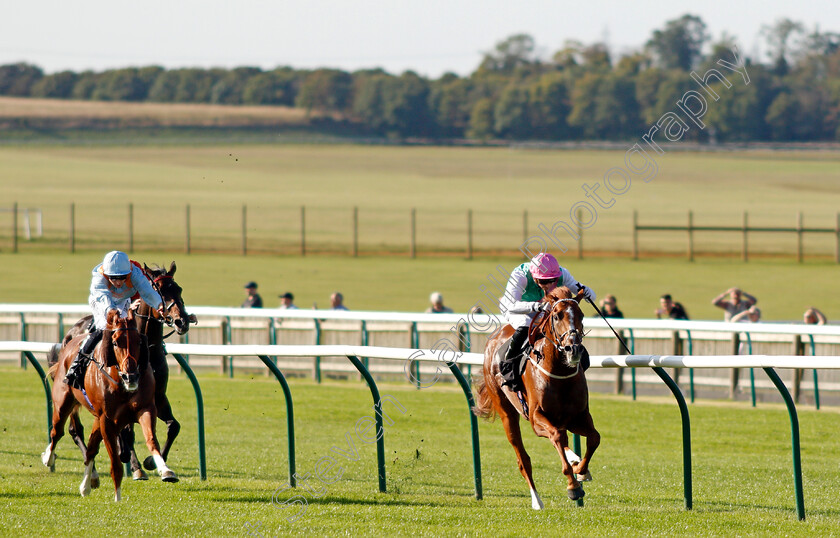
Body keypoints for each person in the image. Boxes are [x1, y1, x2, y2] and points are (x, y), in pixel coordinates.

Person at [64, 251, 164, 389]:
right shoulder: (99, 277)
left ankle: (141, 370)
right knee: (103, 329)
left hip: (123, 301)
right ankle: (76, 367)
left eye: (122, 278)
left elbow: (147, 291)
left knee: (132, 333)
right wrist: (111, 311)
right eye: (113, 278)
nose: (117, 282)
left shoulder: (134, 273)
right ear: (106, 274)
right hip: (101, 303)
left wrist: (159, 304)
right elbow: (103, 297)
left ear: (128, 273)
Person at [498, 252, 595, 392]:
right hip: (517, 309)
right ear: (534, 277)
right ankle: (508, 365)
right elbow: (511, 305)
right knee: (525, 324)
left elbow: (589, 293)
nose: (549, 285)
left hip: (544, 308)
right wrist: (536, 306)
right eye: (544, 281)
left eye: (553, 280)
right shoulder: (520, 276)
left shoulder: (563, 274)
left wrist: (587, 293)